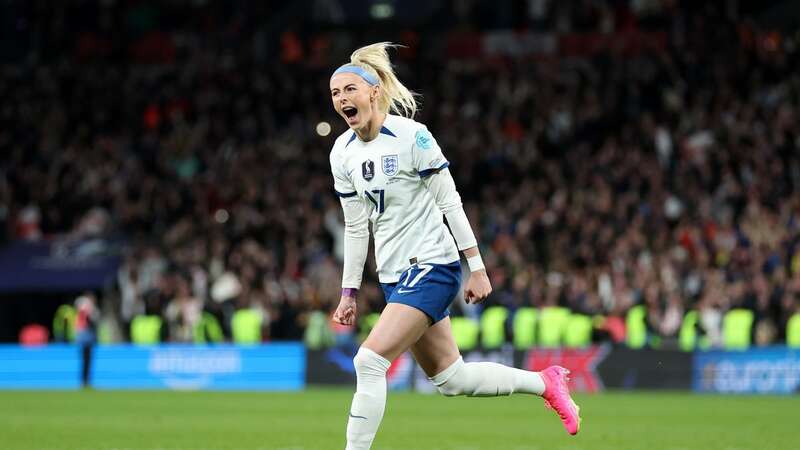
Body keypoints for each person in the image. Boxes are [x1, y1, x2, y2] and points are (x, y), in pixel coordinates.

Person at [328, 43, 581, 450]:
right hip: (395, 276)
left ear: (373, 91)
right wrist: (349, 291)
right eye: (335, 94)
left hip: (433, 265)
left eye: (349, 89)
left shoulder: (413, 137)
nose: (342, 99)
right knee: (451, 378)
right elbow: (355, 226)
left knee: (368, 361)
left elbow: (450, 202)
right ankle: (545, 382)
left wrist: (476, 267)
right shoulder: (341, 152)